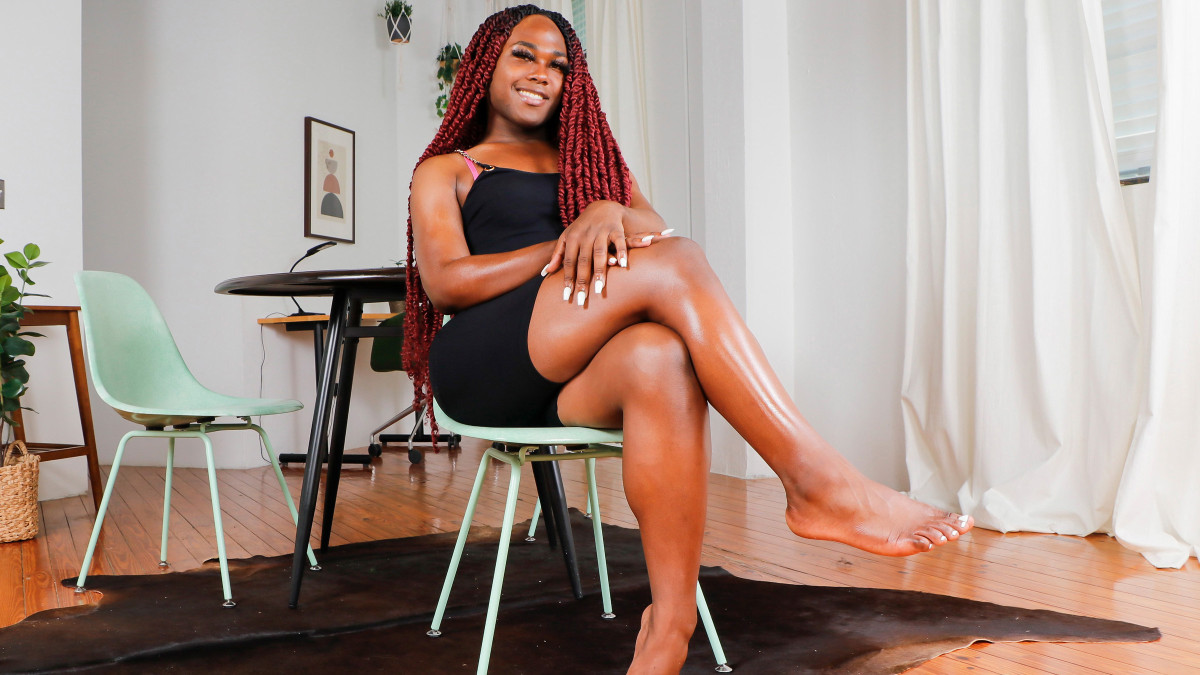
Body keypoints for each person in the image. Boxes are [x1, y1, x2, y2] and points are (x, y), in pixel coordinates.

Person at [405, 6, 974, 673]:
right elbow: (446, 283)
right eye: (524, 55)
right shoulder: (449, 168)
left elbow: (650, 227)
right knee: (679, 261)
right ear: (486, 63)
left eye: (558, 65)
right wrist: (563, 247)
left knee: (662, 358)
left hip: (571, 375)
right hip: (486, 360)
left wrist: (605, 208)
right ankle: (818, 481)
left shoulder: (589, 160)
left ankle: (667, 631)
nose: (542, 74)